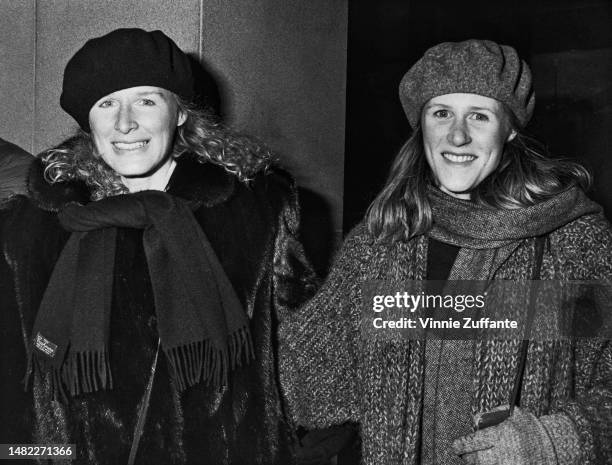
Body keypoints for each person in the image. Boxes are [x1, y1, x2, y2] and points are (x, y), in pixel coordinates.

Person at [279, 40, 612, 465]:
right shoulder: (382, 240)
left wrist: (555, 439)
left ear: (509, 128)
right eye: (441, 114)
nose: (457, 135)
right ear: (422, 127)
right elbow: (306, 375)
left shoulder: (572, 242)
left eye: (478, 115)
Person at [0, 28, 320, 464]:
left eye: (146, 101)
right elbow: (13, 382)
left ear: (180, 113)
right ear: (87, 121)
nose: (125, 123)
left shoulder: (256, 215)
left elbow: (303, 353)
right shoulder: (31, 228)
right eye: (106, 104)